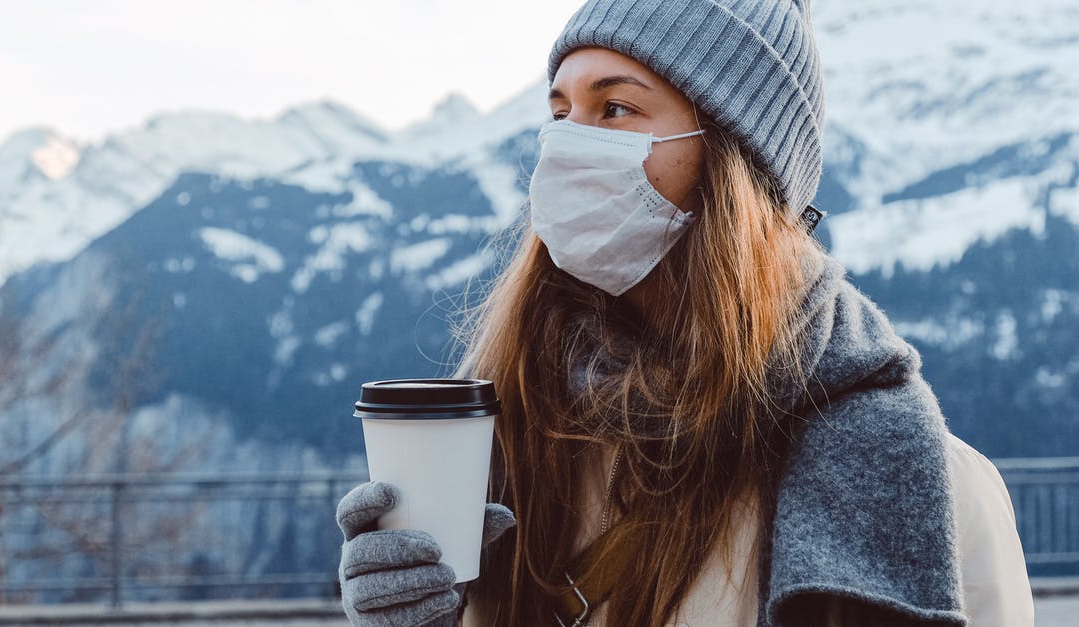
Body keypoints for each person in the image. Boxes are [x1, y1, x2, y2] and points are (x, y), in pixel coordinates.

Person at [336, 1, 1035, 625]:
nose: (567, 145)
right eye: (560, 113)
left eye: (614, 109)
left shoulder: (924, 486)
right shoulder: (508, 447)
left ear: (732, 164)